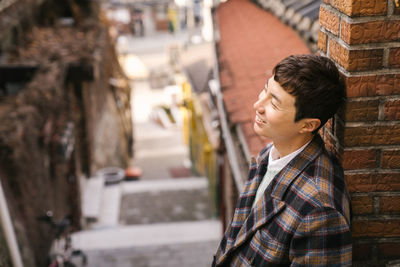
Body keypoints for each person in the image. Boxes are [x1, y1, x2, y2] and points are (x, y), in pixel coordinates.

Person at [212, 55, 352, 266]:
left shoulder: (319, 211)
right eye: (265, 90)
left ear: (307, 125)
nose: (257, 105)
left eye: (274, 104)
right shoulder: (268, 154)